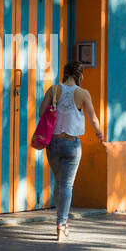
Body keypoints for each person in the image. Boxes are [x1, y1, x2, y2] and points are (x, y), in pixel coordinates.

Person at [40, 60, 105, 240]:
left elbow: (41, 113)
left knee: (58, 182)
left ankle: (59, 221)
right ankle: (62, 225)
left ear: (65, 72)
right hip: (71, 144)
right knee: (67, 185)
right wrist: (99, 133)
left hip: (53, 144)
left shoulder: (53, 90)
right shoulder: (82, 93)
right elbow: (93, 118)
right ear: (80, 75)